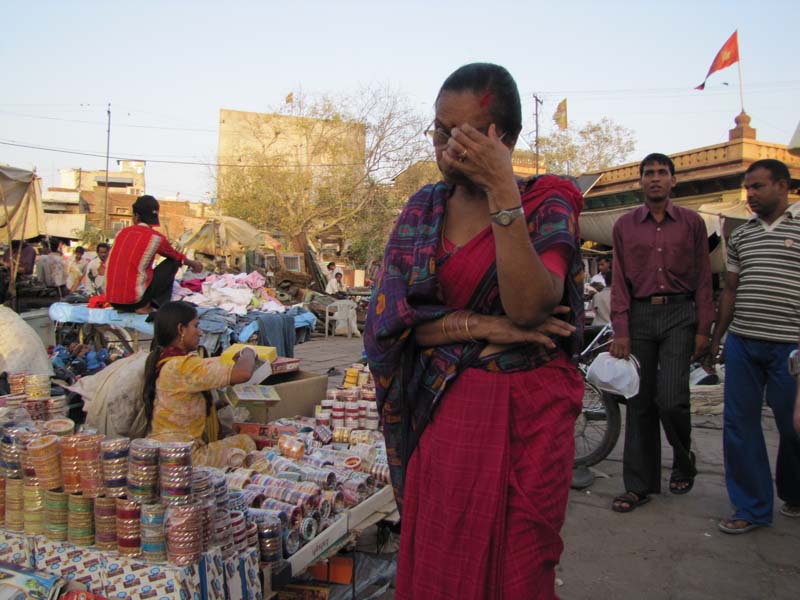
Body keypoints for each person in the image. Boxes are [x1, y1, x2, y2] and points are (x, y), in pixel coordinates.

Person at [364, 63, 584, 599]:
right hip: (447, 407)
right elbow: (388, 325)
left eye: (457, 135)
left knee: (522, 563)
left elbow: (531, 306)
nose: (442, 147)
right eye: (438, 130)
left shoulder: (546, 201)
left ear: (501, 138)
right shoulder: (423, 210)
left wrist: (503, 191)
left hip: (530, 414)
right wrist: (478, 325)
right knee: (443, 556)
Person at [609, 152, 714, 512]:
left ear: (673, 180)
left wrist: (704, 327)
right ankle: (639, 486)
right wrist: (620, 328)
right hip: (639, 315)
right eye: (648, 173)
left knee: (671, 399)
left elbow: (703, 278)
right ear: (640, 181)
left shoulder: (692, 223)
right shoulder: (624, 226)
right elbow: (619, 280)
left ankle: (684, 460)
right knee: (639, 403)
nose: (655, 178)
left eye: (662, 173)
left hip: (680, 314)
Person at [708, 159, 800, 533]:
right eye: (748, 188)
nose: (751, 195)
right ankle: (751, 507)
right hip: (743, 343)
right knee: (740, 426)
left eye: (758, 187)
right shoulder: (742, 234)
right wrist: (717, 340)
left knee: (792, 426)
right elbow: (730, 290)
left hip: (790, 347)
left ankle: (793, 492)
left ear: (782, 186)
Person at [143, 301, 257, 465]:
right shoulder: (182, 366)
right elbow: (243, 373)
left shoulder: (166, 361)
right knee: (246, 442)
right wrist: (249, 351)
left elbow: (184, 408)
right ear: (181, 329)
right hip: (182, 456)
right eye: (196, 326)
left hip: (165, 449)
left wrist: (222, 402)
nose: (200, 333)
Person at [105, 195, 203, 313]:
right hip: (136, 302)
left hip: (113, 300)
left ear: (136, 216)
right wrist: (193, 264)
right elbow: (176, 255)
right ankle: (149, 305)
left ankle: (125, 306)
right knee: (173, 262)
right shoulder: (155, 238)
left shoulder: (121, 233)